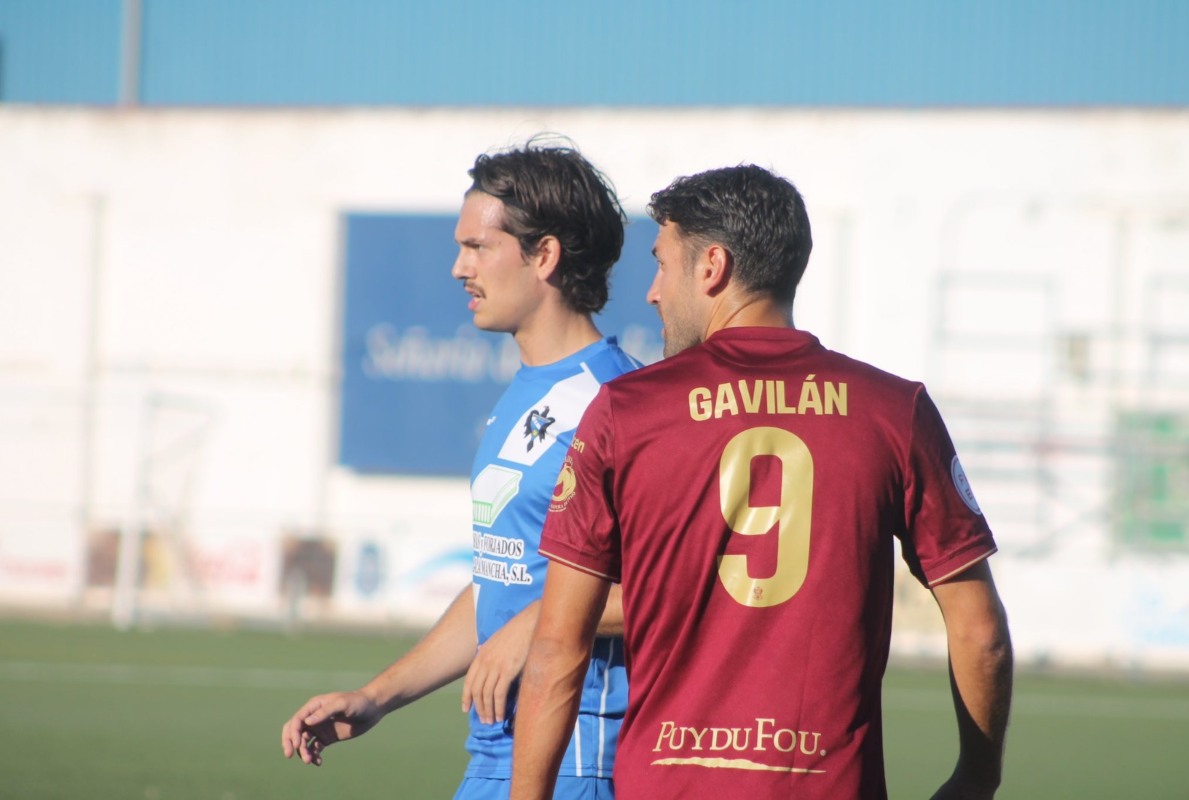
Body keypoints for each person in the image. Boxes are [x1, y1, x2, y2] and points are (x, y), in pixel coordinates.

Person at [511, 165, 1013, 800]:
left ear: (712, 266)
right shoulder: (894, 411)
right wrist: (976, 777)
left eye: (662, 264)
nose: (653, 292)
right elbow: (980, 632)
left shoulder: (625, 412)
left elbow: (558, 648)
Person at [281, 140, 639, 800]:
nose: (457, 267)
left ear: (545, 257)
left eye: (477, 247)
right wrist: (376, 697)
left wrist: (535, 624)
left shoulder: (619, 401)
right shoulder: (521, 396)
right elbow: (497, 583)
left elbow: (672, 588)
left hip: (577, 759)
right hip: (493, 752)